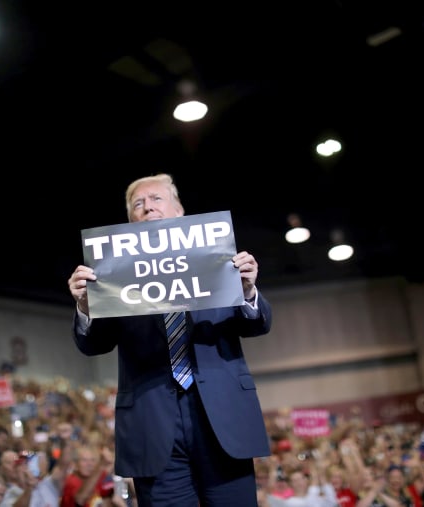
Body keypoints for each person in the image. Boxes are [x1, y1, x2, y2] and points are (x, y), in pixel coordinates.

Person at [67, 172, 273, 506]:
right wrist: (86, 306)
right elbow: (94, 345)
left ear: (180, 211)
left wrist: (247, 290)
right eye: (138, 204)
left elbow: (256, 325)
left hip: (222, 419)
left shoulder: (220, 262)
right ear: (130, 221)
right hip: (152, 425)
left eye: (156, 199)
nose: (148, 208)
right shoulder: (110, 279)